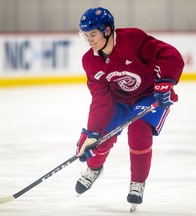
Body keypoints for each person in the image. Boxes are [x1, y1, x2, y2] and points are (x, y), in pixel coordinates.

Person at [75, 7, 184, 211]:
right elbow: (100, 98)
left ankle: (138, 182)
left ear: (107, 31)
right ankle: (94, 168)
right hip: (119, 100)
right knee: (101, 137)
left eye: (93, 34)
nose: (89, 40)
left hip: (149, 94)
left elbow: (170, 55)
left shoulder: (133, 39)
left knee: (138, 132)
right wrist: (92, 132)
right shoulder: (90, 61)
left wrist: (166, 81)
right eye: (86, 35)